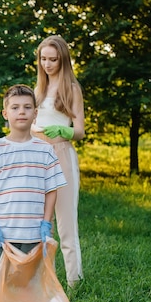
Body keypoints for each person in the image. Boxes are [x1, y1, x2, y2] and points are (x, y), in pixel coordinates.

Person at [0, 84, 66, 284]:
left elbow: (51, 190)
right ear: (5, 113)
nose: (21, 112)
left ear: (35, 113)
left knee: (30, 283)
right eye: (15, 107)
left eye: (27, 107)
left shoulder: (45, 150)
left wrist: (46, 224)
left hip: (33, 233)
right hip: (3, 233)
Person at [32, 35, 85, 287]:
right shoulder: (38, 90)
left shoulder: (71, 89)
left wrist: (64, 131)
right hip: (36, 157)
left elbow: (80, 130)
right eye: (43, 59)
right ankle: (45, 281)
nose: (47, 64)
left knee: (66, 224)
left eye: (53, 59)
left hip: (61, 154)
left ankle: (75, 281)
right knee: (42, 223)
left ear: (63, 59)